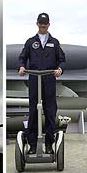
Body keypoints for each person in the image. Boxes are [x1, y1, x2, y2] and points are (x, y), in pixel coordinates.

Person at [18, 12, 66, 154]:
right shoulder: (30, 42)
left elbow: (62, 60)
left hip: (49, 79)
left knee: (50, 111)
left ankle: (49, 144)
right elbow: (22, 57)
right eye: (41, 23)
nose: (43, 26)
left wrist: (60, 69)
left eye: (45, 23)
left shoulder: (54, 42)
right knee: (33, 111)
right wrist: (21, 67)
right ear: (37, 24)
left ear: (49, 24)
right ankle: (32, 145)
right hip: (34, 79)